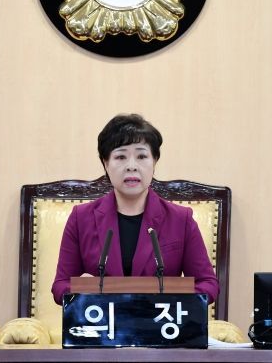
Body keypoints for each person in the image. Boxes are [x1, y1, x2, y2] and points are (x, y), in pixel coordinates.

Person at [51, 113, 219, 304]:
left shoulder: (181, 219)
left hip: (160, 320)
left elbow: (208, 284)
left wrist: (174, 296)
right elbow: (60, 285)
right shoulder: (81, 218)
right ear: (106, 163)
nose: (131, 166)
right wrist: (80, 289)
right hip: (101, 320)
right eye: (120, 156)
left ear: (154, 161)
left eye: (141, 156)